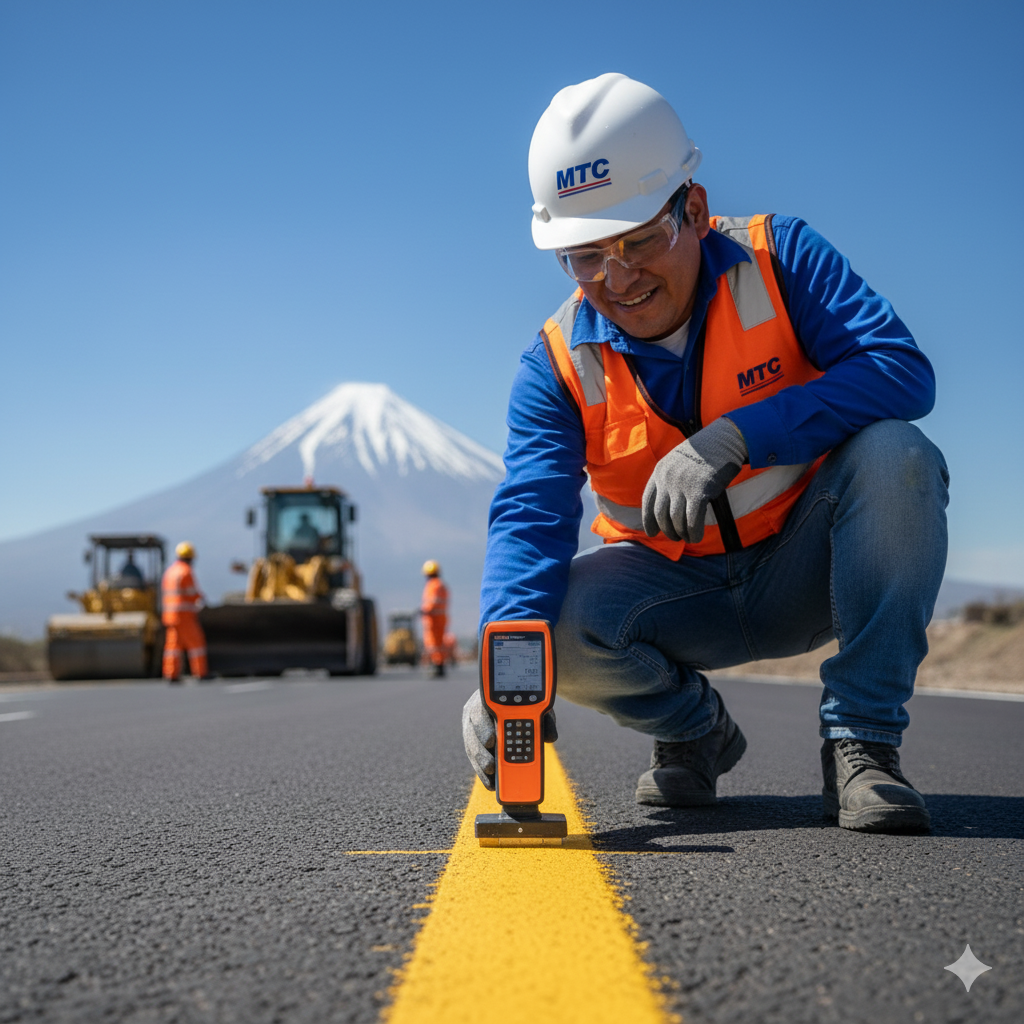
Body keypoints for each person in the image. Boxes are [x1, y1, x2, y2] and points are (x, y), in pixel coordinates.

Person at [462, 73, 948, 834]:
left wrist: (740, 434)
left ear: (692, 207)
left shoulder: (780, 257)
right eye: (585, 256)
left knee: (899, 456)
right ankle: (694, 732)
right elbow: (530, 516)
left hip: (810, 571)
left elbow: (899, 369)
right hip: (677, 602)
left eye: (638, 241)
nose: (617, 279)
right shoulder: (554, 364)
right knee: (542, 629)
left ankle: (863, 743)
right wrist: (508, 675)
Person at [161, 541, 209, 683]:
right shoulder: (186, 572)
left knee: (173, 647)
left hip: (170, 616)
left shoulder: (170, 572)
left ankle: (171, 674)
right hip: (184, 616)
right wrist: (202, 599)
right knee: (196, 644)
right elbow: (192, 593)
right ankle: (200, 673)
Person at [421, 560, 449, 678]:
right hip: (439, 618)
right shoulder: (440, 584)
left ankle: (437, 666)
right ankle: (439, 665)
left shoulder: (433, 585)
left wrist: (424, 610)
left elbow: (432, 602)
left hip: (433, 619)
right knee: (438, 643)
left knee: (434, 644)